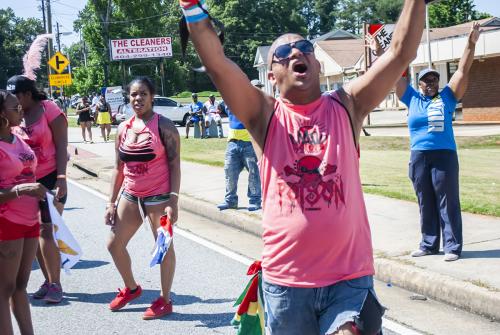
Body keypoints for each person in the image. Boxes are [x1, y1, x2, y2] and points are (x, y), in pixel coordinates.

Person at [180, 0, 427, 333]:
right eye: (283, 53)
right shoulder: (263, 115)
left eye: (304, 47)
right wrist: (190, 7)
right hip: (286, 285)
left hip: (348, 280)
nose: (296, 53)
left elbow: (399, 54)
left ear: (317, 64)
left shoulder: (348, 105)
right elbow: (217, 64)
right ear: (271, 75)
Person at [392, 22, 481, 262]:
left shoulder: (448, 97)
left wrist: (470, 43)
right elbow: (393, 72)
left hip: (444, 155)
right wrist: (382, 52)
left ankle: (452, 247)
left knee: (447, 200)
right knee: (425, 201)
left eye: (434, 80)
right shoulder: (411, 98)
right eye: (426, 80)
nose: (431, 83)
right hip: (419, 155)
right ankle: (428, 244)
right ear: (418, 83)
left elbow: (462, 70)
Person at [104, 76, 180, 320]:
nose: (138, 99)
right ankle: (132, 288)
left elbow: (175, 165)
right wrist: (111, 202)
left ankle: (164, 300)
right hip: (130, 194)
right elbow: (118, 168)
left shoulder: (165, 127)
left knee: (163, 249)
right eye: (134, 94)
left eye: (143, 94)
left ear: (152, 96)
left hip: (159, 198)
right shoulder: (123, 128)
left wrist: (173, 201)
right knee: (114, 244)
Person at [7, 74, 68, 304]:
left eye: (17, 95)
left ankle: (56, 284)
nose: (15, 100)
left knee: (45, 230)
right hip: (25, 183)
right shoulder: (13, 114)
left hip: (51, 179)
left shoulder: (48, 109)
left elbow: (62, 144)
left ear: (28, 93)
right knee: (34, 233)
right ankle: (48, 279)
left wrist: (61, 177)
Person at [0, 90, 47, 335]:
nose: (21, 110)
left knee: (20, 286)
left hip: (30, 220)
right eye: (15, 108)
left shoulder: (17, 137)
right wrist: (20, 190)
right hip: (6, 222)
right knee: (4, 289)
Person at [217, 80, 262, 212]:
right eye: (255, 88)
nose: (257, 90)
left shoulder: (258, 104)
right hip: (232, 143)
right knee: (229, 171)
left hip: (250, 143)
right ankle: (230, 200)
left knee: (254, 173)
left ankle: (255, 200)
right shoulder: (230, 101)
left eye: (259, 88)